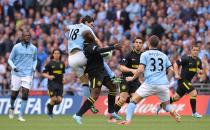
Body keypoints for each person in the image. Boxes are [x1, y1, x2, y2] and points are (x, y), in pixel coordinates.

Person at [119, 35, 181, 125]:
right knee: (166, 105)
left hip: (150, 83)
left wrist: (132, 78)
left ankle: (128, 120)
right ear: (158, 44)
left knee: (133, 101)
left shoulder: (145, 54)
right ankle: (173, 110)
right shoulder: (164, 55)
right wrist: (170, 77)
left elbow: (140, 69)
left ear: (148, 43)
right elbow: (171, 69)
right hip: (163, 84)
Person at [65, 15, 116, 113]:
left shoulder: (73, 26)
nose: (92, 26)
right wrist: (101, 49)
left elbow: (65, 28)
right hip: (79, 55)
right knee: (99, 58)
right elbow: (96, 40)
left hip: (70, 59)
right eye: (91, 24)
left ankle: (89, 103)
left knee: (84, 82)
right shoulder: (86, 28)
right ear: (86, 22)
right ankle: (112, 75)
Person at [72, 30, 121, 124]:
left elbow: (99, 53)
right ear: (86, 38)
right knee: (95, 95)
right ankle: (78, 114)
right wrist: (113, 47)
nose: (92, 35)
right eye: (89, 34)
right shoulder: (88, 47)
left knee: (112, 87)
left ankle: (111, 111)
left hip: (102, 71)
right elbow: (100, 50)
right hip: (95, 73)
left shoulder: (92, 44)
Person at [157, 44, 203, 118]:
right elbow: (175, 64)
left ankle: (162, 104)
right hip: (183, 80)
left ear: (198, 51)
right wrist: (176, 74)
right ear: (191, 50)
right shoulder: (186, 58)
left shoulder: (198, 61)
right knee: (194, 93)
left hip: (187, 81)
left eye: (197, 50)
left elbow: (200, 70)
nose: (195, 52)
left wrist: (200, 72)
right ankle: (194, 113)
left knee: (176, 98)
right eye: (194, 50)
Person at [111, 37, 143, 122]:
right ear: (134, 44)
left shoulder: (143, 56)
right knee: (123, 99)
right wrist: (131, 70)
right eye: (137, 42)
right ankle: (113, 116)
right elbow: (121, 67)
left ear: (142, 45)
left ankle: (125, 117)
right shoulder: (129, 55)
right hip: (125, 79)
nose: (138, 44)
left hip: (135, 81)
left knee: (135, 100)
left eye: (140, 43)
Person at [8, 29, 38, 122]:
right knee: (14, 93)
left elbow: (35, 59)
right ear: (22, 37)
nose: (28, 37)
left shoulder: (33, 48)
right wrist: (14, 67)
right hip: (16, 73)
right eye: (26, 35)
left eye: (29, 36)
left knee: (25, 93)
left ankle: (21, 116)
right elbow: (10, 59)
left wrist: (33, 67)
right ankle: (12, 107)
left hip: (28, 74)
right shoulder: (16, 47)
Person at [42, 49, 65, 119]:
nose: (57, 54)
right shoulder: (49, 64)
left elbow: (62, 73)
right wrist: (49, 76)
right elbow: (43, 73)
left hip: (60, 84)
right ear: (53, 54)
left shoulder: (62, 64)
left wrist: (63, 79)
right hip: (52, 84)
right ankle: (50, 113)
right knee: (53, 99)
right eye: (55, 53)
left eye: (58, 53)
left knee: (60, 100)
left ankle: (49, 106)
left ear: (60, 55)